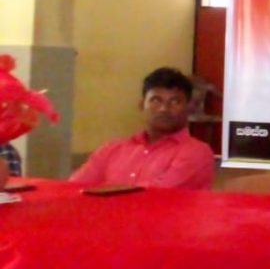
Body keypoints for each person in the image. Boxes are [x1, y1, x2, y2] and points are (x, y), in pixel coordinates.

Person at [70, 67, 214, 190]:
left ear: (189, 108)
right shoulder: (111, 150)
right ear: (141, 105)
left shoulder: (197, 153)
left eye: (175, 101)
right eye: (156, 100)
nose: (164, 109)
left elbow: (154, 195)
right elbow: (73, 188)